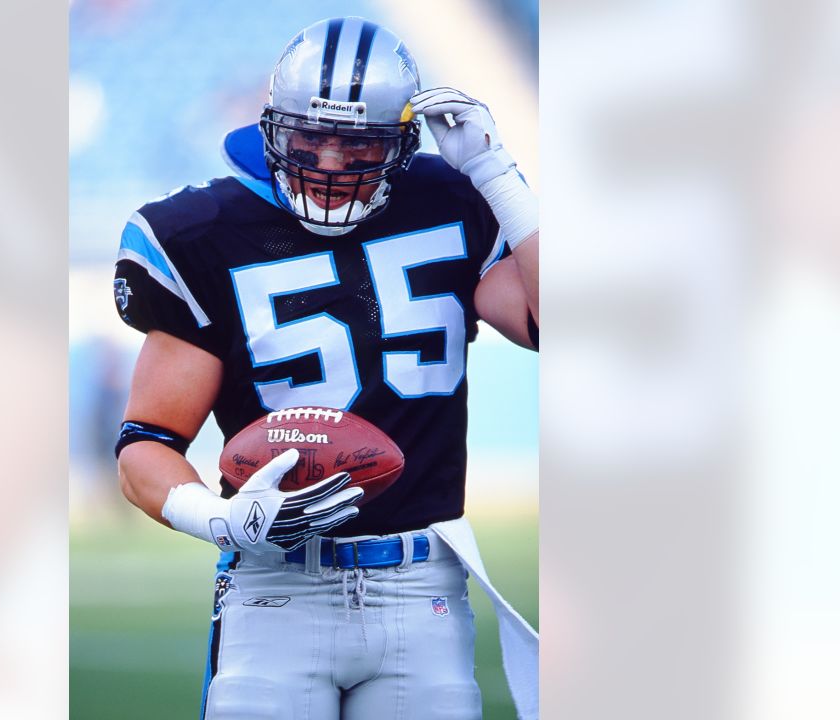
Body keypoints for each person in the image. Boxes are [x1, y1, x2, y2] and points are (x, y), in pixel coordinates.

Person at [112, 16, 539, 720]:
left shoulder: (453, 200)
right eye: (311, 138)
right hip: (277, 591)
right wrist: (219, 521)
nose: (332, 164)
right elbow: (146, 445)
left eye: (358, 142)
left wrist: (498, 175)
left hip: (422, 587)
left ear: (401, 146)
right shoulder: (201, 232)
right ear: (272, 129)